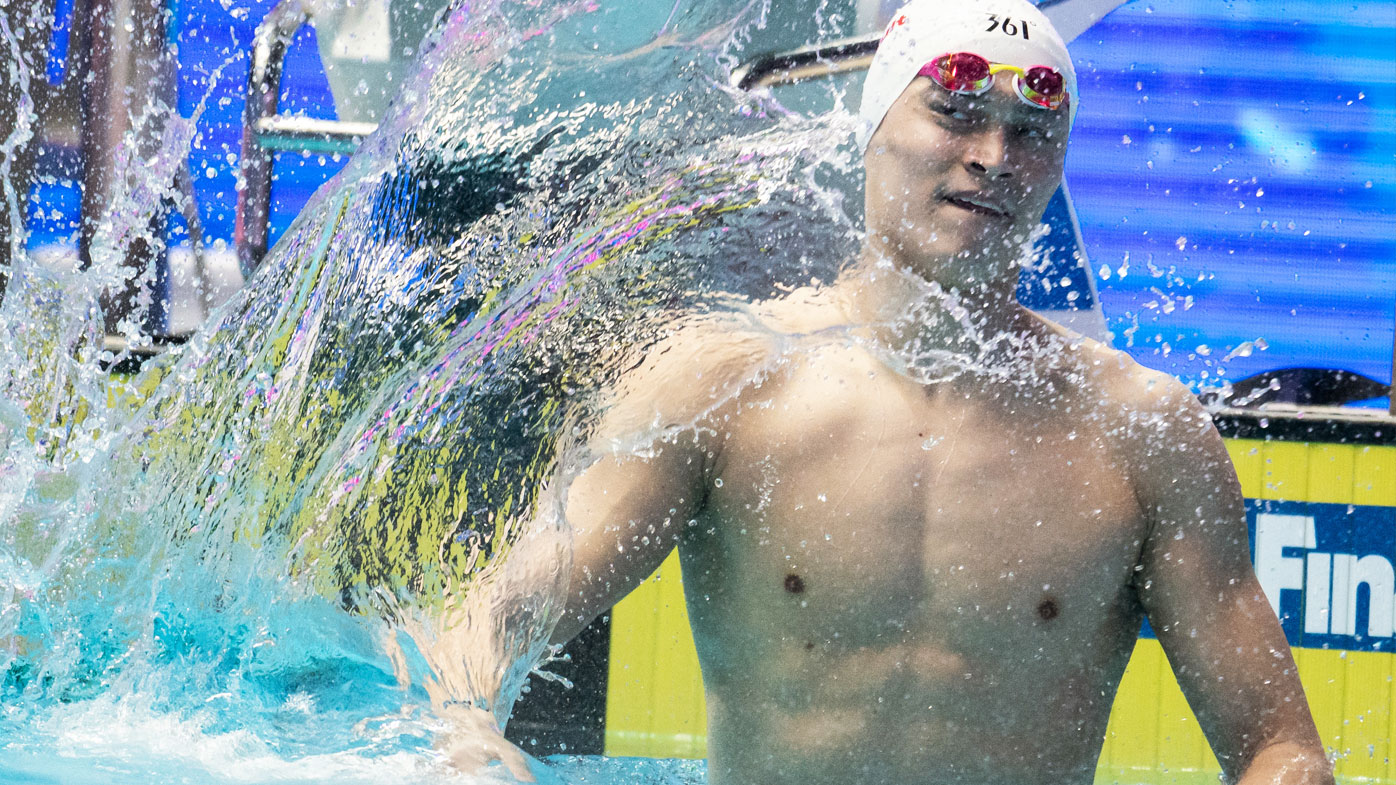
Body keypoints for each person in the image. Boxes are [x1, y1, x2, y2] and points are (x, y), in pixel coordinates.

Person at [464, 0, 1336, 782]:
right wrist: (462, 739)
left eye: (1032, 133)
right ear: (875, 125)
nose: (993, 157)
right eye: (956, 113)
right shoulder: (726, 380)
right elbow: (497, 616)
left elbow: (1279, 745)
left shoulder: (1141, 431)